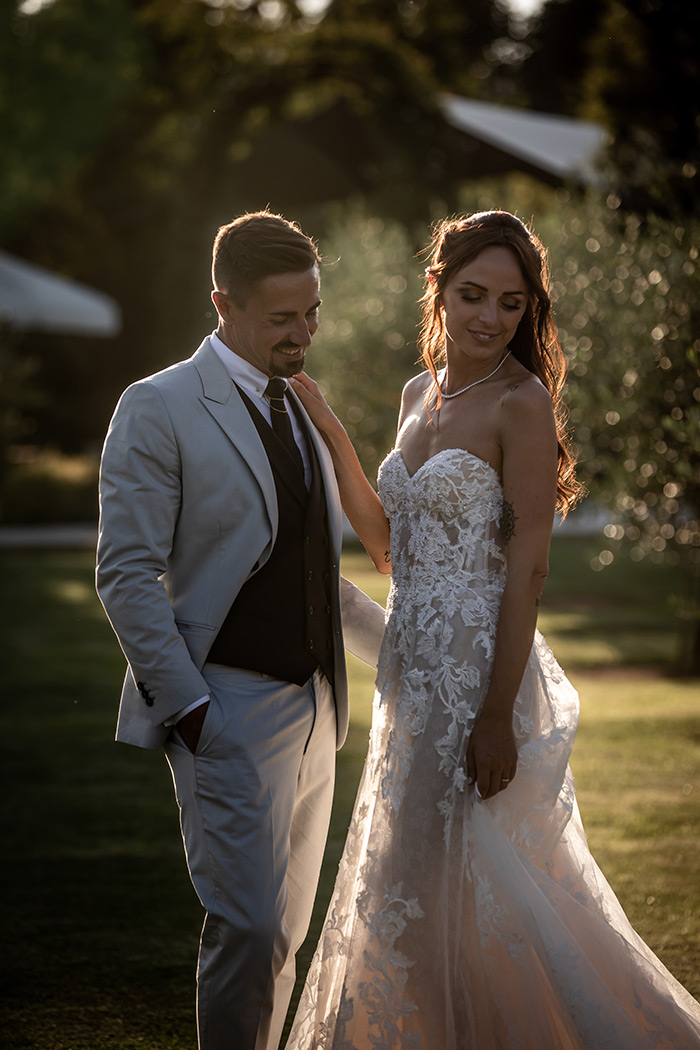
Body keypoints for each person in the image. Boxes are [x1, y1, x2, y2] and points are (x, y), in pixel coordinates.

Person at [284, 211, 700, 1049]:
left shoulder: (522, 402)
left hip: (480, 675)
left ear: (527, 312)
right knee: (409, 884)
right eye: (472, 294)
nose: (489, 317)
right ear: (437, 289)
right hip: (412, 675)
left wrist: (494, 711)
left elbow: (530, 571)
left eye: (511, 304)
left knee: (475, 884)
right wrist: (330, 428)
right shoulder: (418, 392)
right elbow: (388, 547)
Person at [95, 209, 385, 1050]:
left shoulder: (298, 403)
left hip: (318, 713)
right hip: (223, 710)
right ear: (222, 303)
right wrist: (191, 713)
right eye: (283, 318)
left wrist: (410, 656)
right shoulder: (158, 406)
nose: (306, 334)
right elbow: (125, 574)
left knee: (285, 938)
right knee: (248, 931)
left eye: (314, 312)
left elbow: (306, 569)